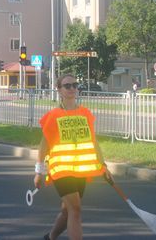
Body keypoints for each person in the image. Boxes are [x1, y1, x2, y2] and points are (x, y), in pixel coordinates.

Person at [34, 74, 112, 240]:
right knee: (76, 209)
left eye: (75, 85)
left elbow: (93, 141)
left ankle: (51, 236)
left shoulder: (85, 113)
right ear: (59, 90)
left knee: (67, 210)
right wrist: (39, 171)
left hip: (80, 171)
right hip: (61, 170)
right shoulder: (53, 115)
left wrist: (102, 165)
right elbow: (44, 145)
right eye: (67, 86)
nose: (72, 89)